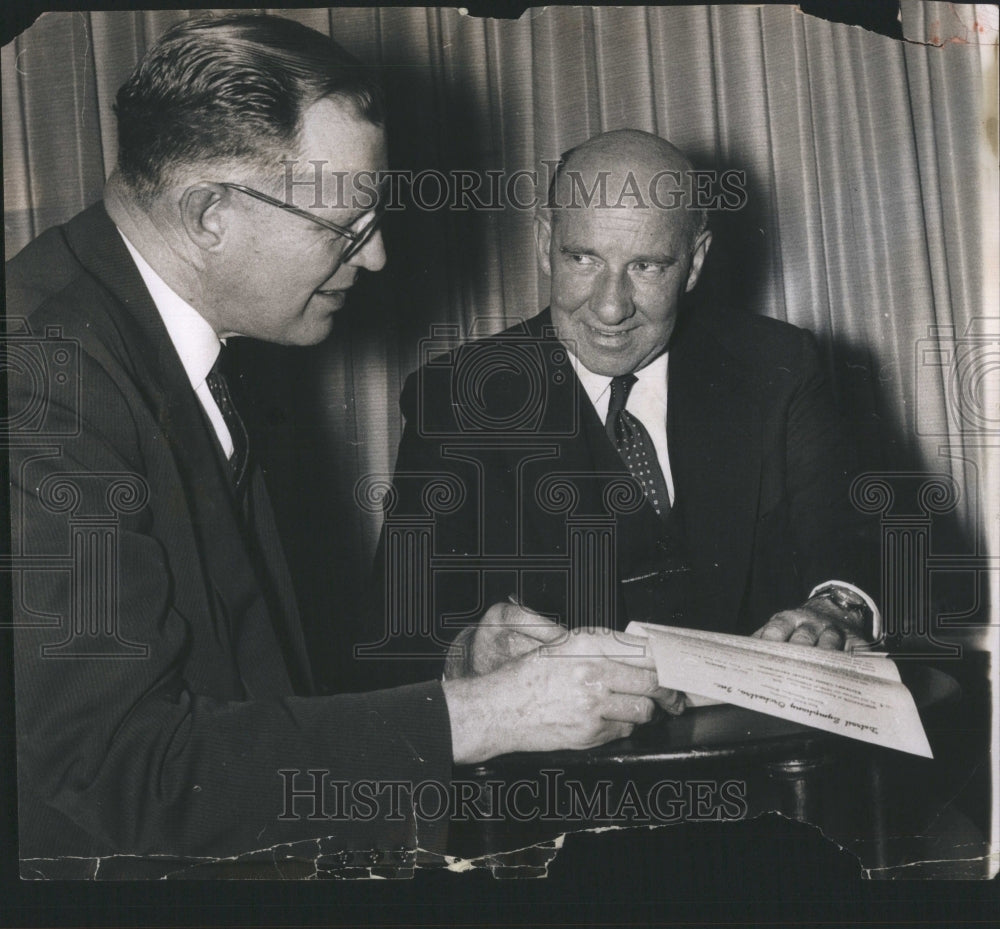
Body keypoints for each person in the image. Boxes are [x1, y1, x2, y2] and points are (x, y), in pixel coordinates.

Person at [6, 16, 665, 874]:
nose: (380, 255)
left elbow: (243, 695)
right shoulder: (41, 377)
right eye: (348, 226)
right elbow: (123, 768)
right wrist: (483, 717)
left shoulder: (160, 338)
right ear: (211, 213)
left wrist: (460, 672)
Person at [378, 129, 880, 685]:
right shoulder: (455, 398)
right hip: (564, 768)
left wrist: (835, 607)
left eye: (648, 267)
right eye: (583, 258)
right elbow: (395, 633)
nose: (611, 307)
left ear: (694, 263)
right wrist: (465, 654)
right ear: (546, 242)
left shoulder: (778, 366)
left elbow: (847, 538)